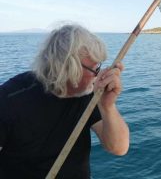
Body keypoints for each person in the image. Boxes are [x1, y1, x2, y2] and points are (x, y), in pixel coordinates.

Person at [0, 24, 129, 178]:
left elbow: (118, 148)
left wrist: (107, 106)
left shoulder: (88, 93)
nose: (98, 75)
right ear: (68, 68)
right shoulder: (10, 99)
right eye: (95, 69)